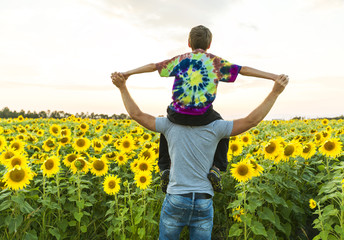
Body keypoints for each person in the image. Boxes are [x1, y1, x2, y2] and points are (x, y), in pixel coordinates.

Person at [111, 71, 288, 239]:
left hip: (176, 197)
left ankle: (164, 169)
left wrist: (122, 87)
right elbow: (251, 120)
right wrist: (275, 92)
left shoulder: (169, 125)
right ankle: (217, 168)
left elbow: (136, 114)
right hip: (203, 199)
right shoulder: (216, 127)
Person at [119, 25, 283, 193]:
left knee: (165, 127)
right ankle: (217, 167)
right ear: (209, 44)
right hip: (203, 115)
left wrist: (127, 73)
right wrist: (273, 77)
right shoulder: (215, 62)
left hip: (177, 114)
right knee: (223, 127)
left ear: (189, 42)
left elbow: (153, 66)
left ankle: (165, 168)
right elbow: (244, 70)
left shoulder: (181, 59)